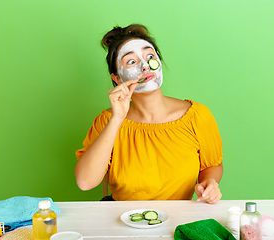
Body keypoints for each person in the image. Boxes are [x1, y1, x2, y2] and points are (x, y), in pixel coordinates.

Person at [74, 24, 223, 204]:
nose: (145, 66)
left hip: (179, 221)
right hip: (123, 220)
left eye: (150, 56)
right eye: (131, 61)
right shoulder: (107, 121)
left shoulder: (197, 115)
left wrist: (210, 183)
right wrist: (117, 119)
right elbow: (85, 182)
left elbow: (212, 165)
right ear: (117, 78)